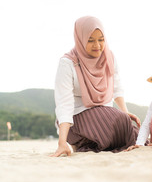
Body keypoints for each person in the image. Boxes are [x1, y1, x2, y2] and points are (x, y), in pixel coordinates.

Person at [51, 16, 140, 157]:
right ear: (80, 39)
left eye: (101, 39)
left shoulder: (108, 57)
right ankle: (81, 140)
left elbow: (117, 87)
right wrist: (62, 142)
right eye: (90, 40)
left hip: (106, 115)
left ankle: (89, 143)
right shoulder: (68, 63)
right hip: (77, 118)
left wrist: (124, 112)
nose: (97, 45)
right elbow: (64, 104)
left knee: (134, 132)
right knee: (118, 121)